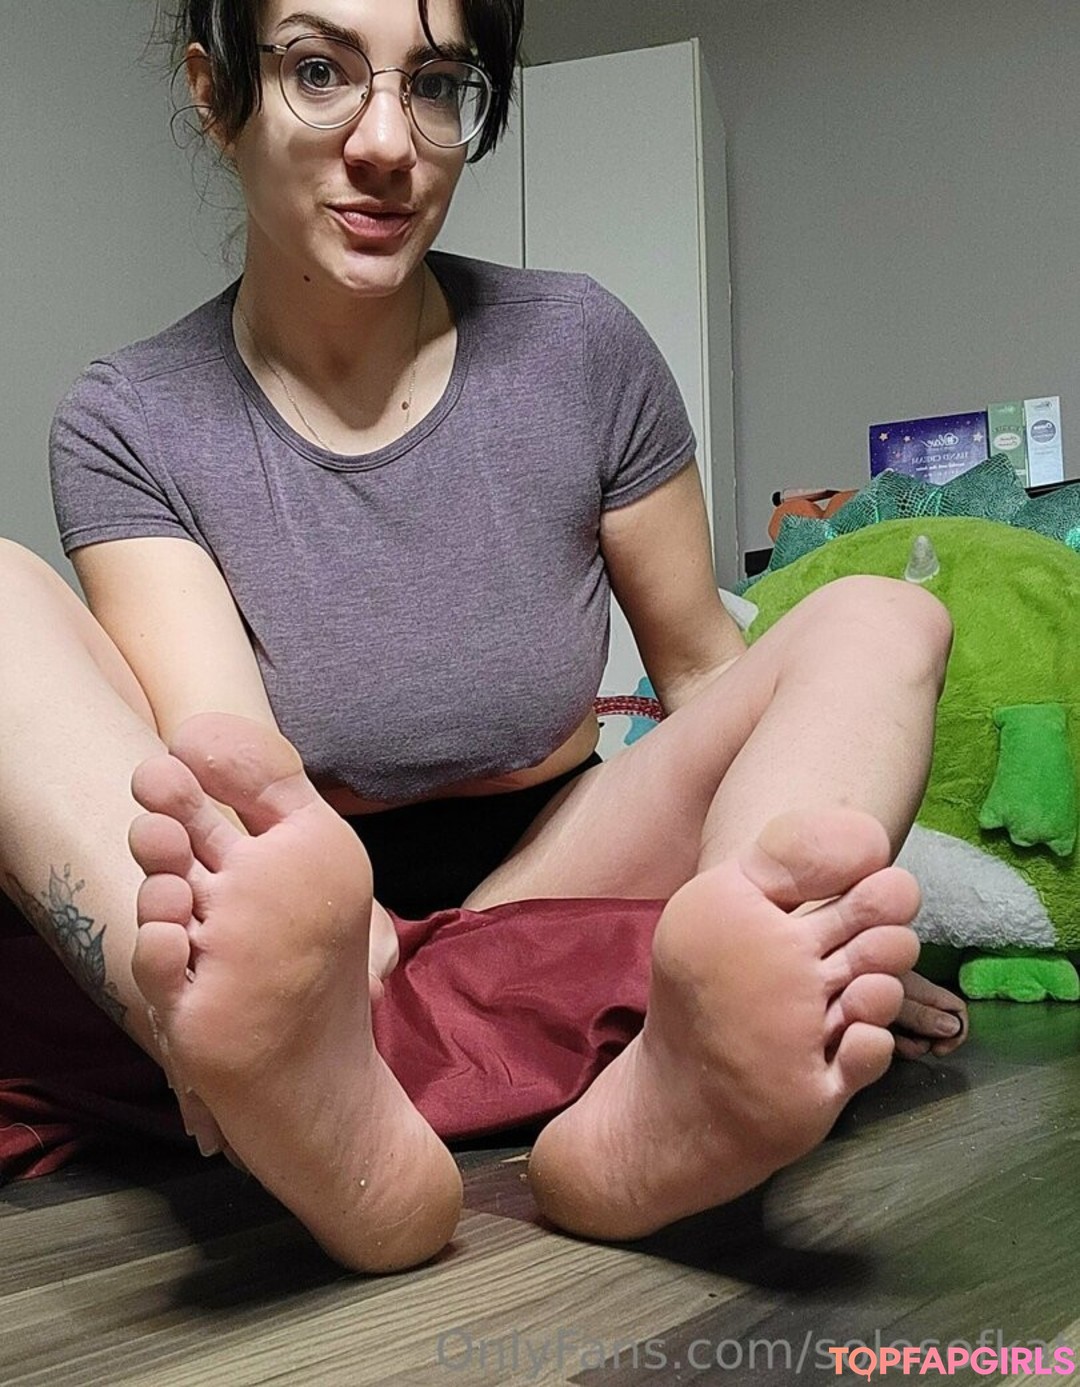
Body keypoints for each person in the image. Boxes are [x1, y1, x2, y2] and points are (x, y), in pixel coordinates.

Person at [0, 0, 968, 1272]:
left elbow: (703, 675)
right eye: (318, 72)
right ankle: (318, 1117)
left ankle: (680, 1083)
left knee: (886, 615)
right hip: (308, 915)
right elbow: (226, 763)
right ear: (213, 89)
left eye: (436, 83)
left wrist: (800, 925)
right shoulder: (130, 418)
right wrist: (280, 951)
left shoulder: (579, 346)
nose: (388, 144)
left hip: (553, 875)